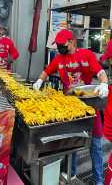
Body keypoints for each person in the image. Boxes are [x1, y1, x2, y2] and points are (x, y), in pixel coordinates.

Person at [33, 29, 108, 185]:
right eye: (58, 45)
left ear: (72, 42)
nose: (59, 47)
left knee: (95, 145)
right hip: (70, 109)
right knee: (72, 143)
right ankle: (71, 174)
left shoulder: (86, 55)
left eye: (62, 44)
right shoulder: (59, 58)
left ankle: (99, 180)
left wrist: (104, 84)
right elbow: (46, 71)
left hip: (89, 107)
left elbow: (100, 72)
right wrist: (39, 81)